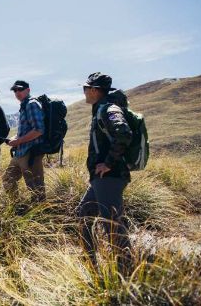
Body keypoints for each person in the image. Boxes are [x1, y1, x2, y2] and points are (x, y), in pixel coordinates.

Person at [75, 72, 133, 275]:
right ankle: (90, 261)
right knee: (84, 213)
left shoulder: (109, 109)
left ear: (94, 90)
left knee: (112, 225)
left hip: (110, 177)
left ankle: (126, 271)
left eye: (85, 88)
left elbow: (124, 133)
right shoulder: (100, 108)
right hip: (101, 179)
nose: (84, 93)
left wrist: (108, 163)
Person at [3, 80, 46, 203]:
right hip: (21, 152)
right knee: (7, 179)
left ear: (28, 90)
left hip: (32, 152)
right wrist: (14, 139)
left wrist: (18, 141)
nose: (17, 92)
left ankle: (40, 216)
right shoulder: (24, 105)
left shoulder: (31, 104)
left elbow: (38, 130)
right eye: (15, 90)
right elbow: (26, 130)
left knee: (36, 189)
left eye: (20, 89)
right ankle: (18, 206)